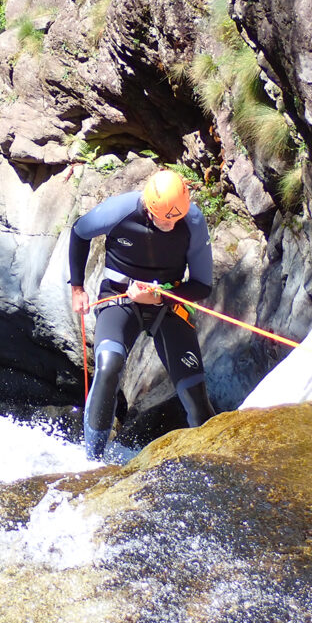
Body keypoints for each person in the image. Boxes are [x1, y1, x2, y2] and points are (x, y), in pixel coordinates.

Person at [69, 168, 217, 460]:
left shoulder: (192, 220)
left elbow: (202, 285)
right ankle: (93, 461)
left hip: (168, 303)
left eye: (175, 219)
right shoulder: (120, 210)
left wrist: (159, 296)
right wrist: (77, 288)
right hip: (120, 298)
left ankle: (209, 462)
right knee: (108, 366)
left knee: (196, 397)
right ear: (149, 208)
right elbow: (79, 232)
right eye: (165, 219)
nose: (170, 225)